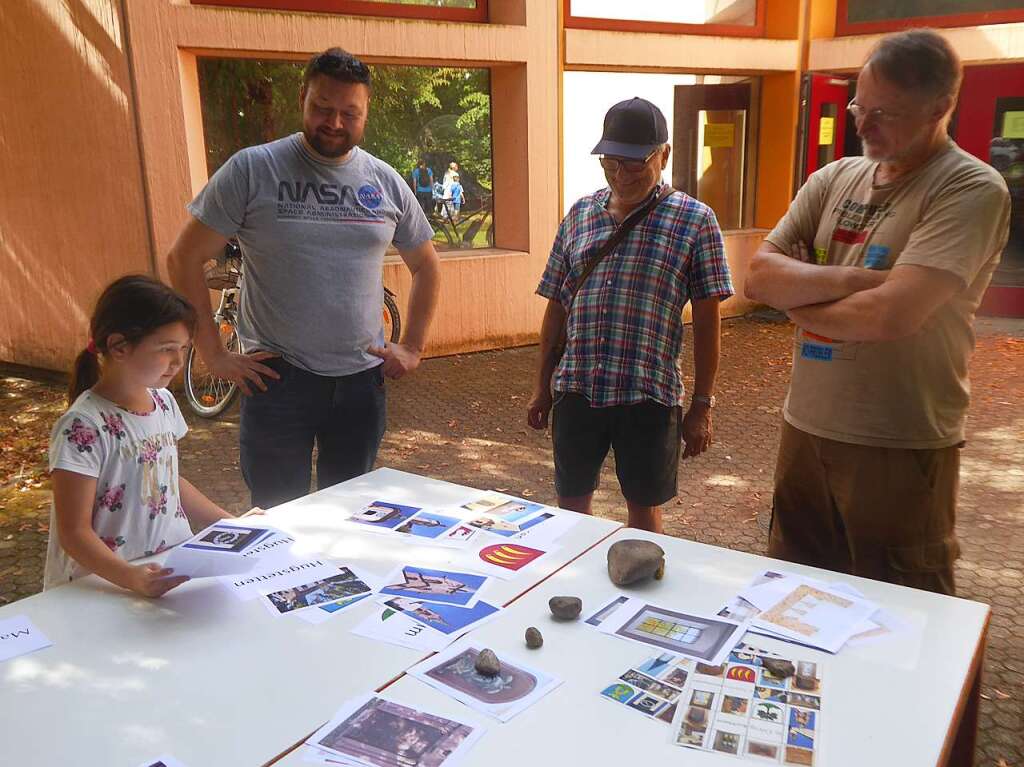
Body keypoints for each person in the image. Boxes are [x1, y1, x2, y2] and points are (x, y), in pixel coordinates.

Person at [744, 29, 1011, 595]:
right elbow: (759, 276)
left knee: (900, 610)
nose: (862, 125)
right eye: (859, 105)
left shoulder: (968, 189)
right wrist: (852, 281)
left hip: (898, 440)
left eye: (884, 113)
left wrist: (805, 301)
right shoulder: (834, 177)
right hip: (805, 428)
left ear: (941, 108)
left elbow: (891, 317)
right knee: (795, 597)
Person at [168, 48, 441, 510]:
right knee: (277, 518)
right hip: (277, 380)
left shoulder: (385, 181)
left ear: (366, 112)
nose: (334, 123)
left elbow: (427, 266)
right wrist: (213, 353)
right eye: (323, 108)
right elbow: (183, 258)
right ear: (303, 99)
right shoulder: (253, 169)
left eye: (349, 113)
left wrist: (412, 346)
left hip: (361, 382)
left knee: (352, 515)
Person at [527, 97, 734, 533]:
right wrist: (541, 388)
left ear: (664, 155)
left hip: (649, 396)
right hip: (577, 389)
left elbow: (709, 321)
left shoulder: (696, 221)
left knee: (644, 518)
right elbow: (556, 306)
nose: (621, 176)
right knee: (570, 514)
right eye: (611, 163)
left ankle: (640, 595)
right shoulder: (580, 214)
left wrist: (702, 405)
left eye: (634, 164)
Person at [46, 275, 233, 596]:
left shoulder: (164, 402)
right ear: (119, 347)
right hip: (104, 585)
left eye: (184, 349)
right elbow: (74, 532)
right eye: (166, 349)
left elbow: (169, 480)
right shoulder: (82, 426)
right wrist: (132, 578)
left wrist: (231, 523)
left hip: (164, 568)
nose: (178, 361)